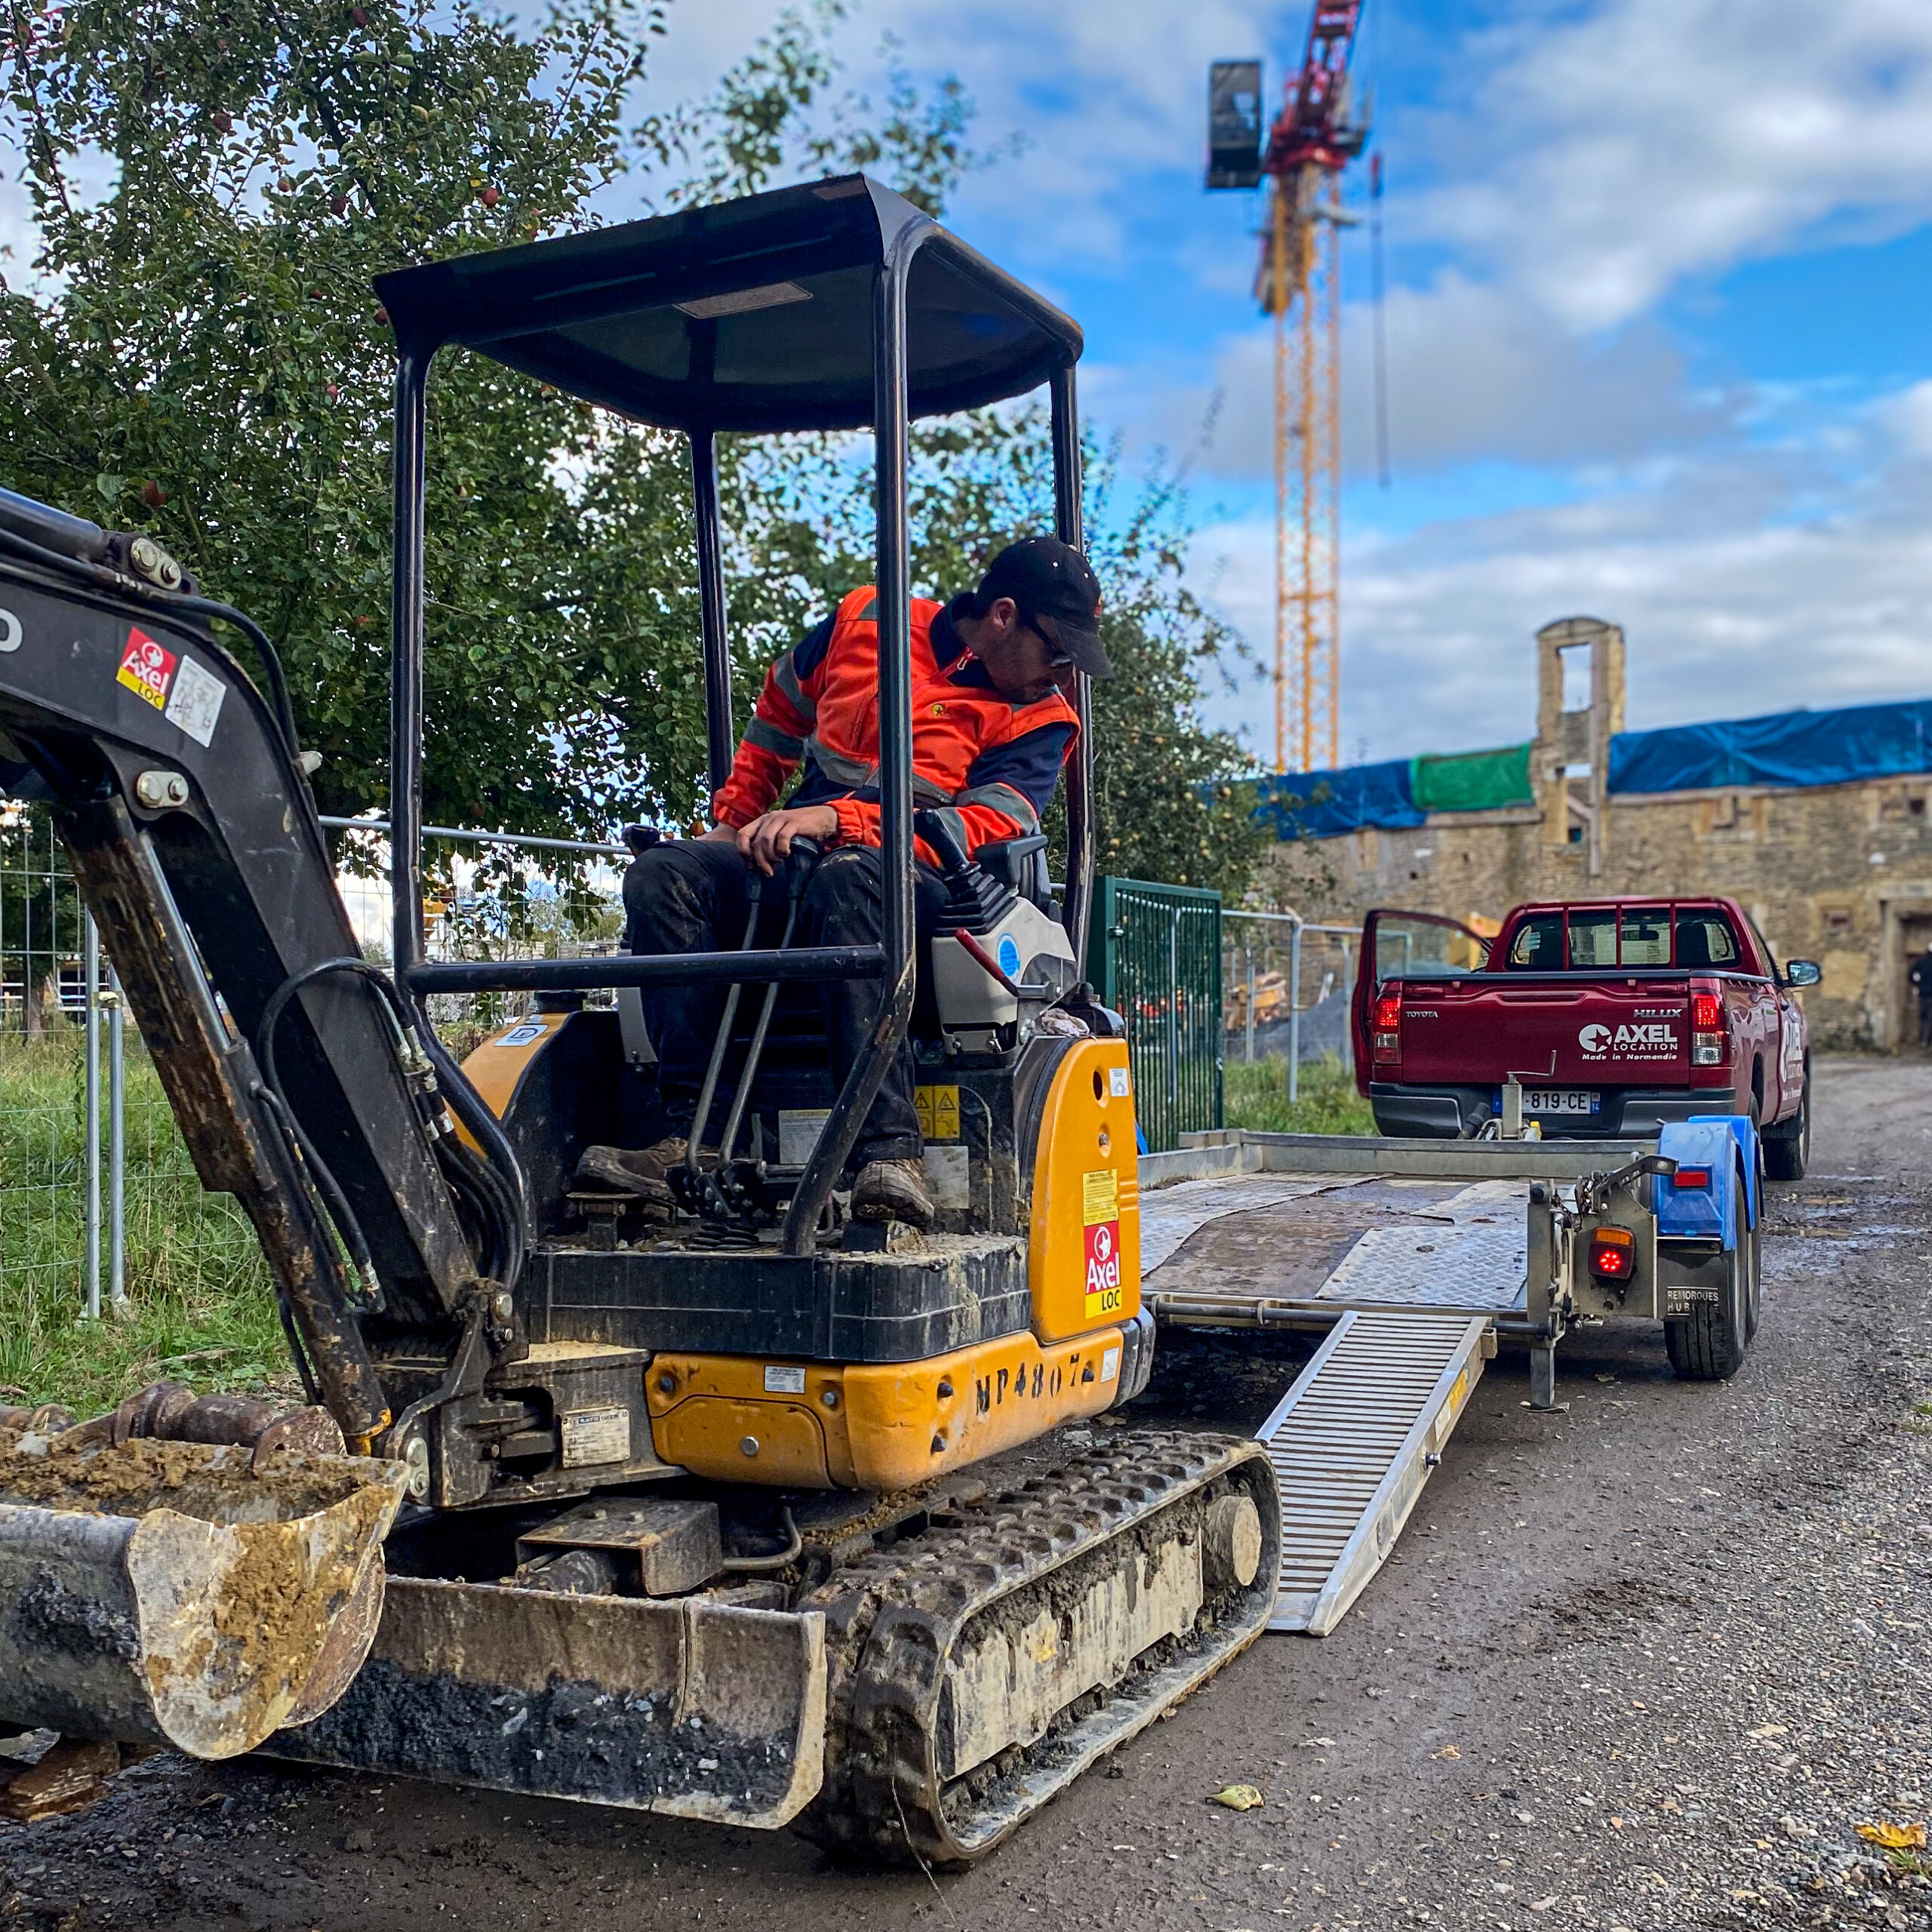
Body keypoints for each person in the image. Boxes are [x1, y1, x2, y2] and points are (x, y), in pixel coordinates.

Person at [587, 537, 1113, 1228]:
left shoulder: (1043, 719)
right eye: (1059, 653)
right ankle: (694, 1138)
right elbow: (779, 710)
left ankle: (889, 1155)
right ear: (1003, 616)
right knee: (663, 876)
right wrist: (736, 820)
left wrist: (835, 819)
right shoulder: (864, 622)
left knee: (851, 881)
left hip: (924, 890)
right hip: (805, 855)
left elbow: (987, 822)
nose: (1064, 675)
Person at [1912, 943, 1932, 1049]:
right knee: (1929, 1018)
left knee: (1923, 1017)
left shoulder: (1920, 963)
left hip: (1923, 994)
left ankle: (1923, 1041)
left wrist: (1917, 985)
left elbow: (1913, 975)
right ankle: (1926, 1041)